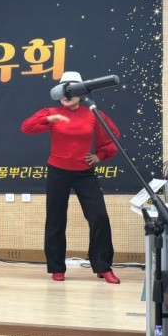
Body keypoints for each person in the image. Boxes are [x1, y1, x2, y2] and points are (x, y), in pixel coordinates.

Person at [21, 71, 121, 284]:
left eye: (71, 90)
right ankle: (57, 267)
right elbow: (26, 128)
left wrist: (99, 156)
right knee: (56, 219)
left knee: (99, 217)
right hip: (58, 172)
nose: (66, 95)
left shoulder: (92, 114)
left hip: (85, 173)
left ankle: (103, 266)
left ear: (81, 92)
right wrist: (49, 119)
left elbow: (111, 139)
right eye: (63, 91)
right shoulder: (52, 112)